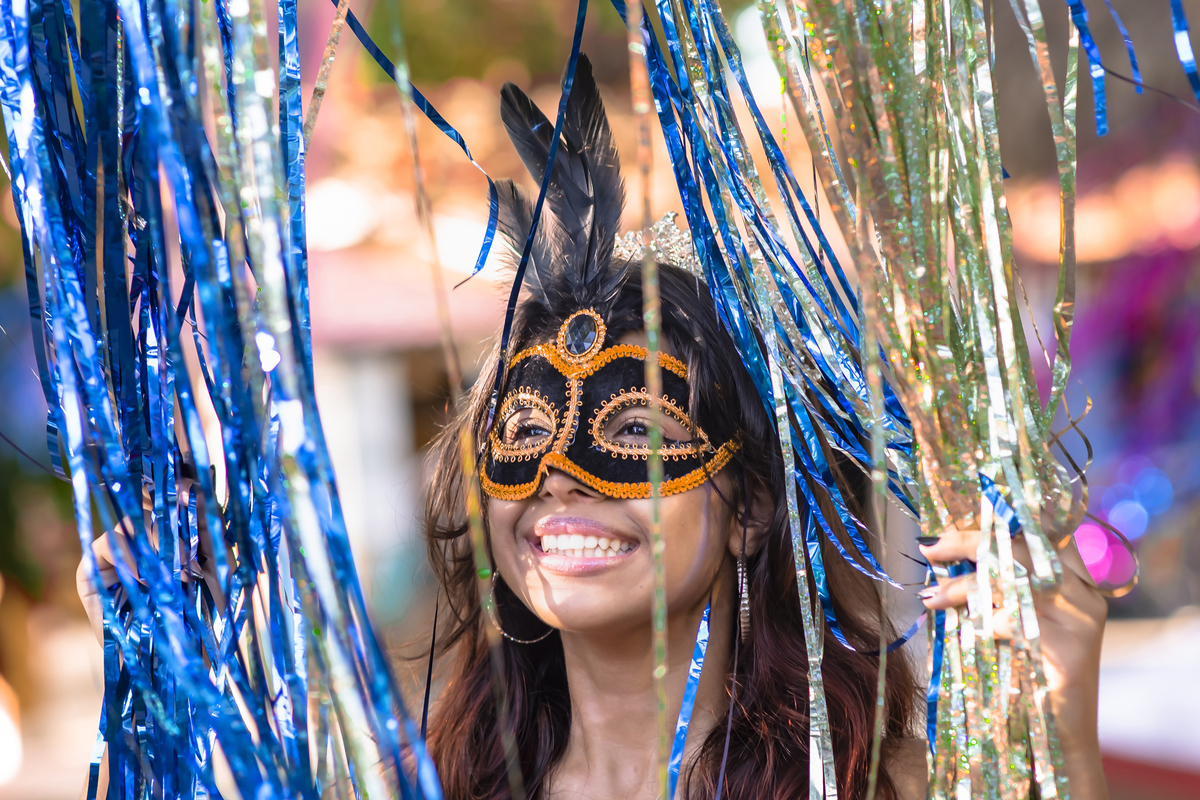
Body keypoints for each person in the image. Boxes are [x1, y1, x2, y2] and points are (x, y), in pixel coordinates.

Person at [80, 57, 1109, 799]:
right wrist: (181, 673)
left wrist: (1060, 725)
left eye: (638, 430)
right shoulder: (419, 782)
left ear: (751, 504)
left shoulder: (890, 780)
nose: (561, 479)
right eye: (525, 424)